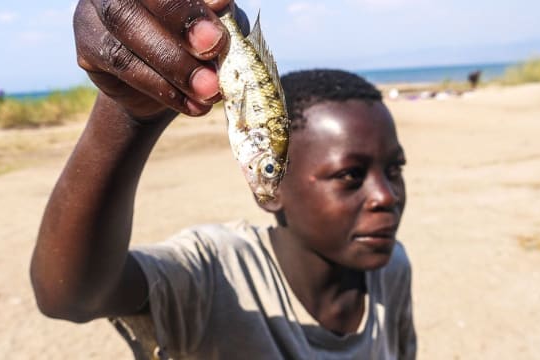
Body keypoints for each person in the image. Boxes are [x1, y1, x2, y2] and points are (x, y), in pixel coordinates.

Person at [30, 0, 416, 359]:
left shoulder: (391, 269)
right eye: (349, 175)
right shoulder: (214, 274)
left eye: (394, 171)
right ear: (274, 193)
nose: (385, 196)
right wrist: (132, 112)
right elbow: (69, 296)